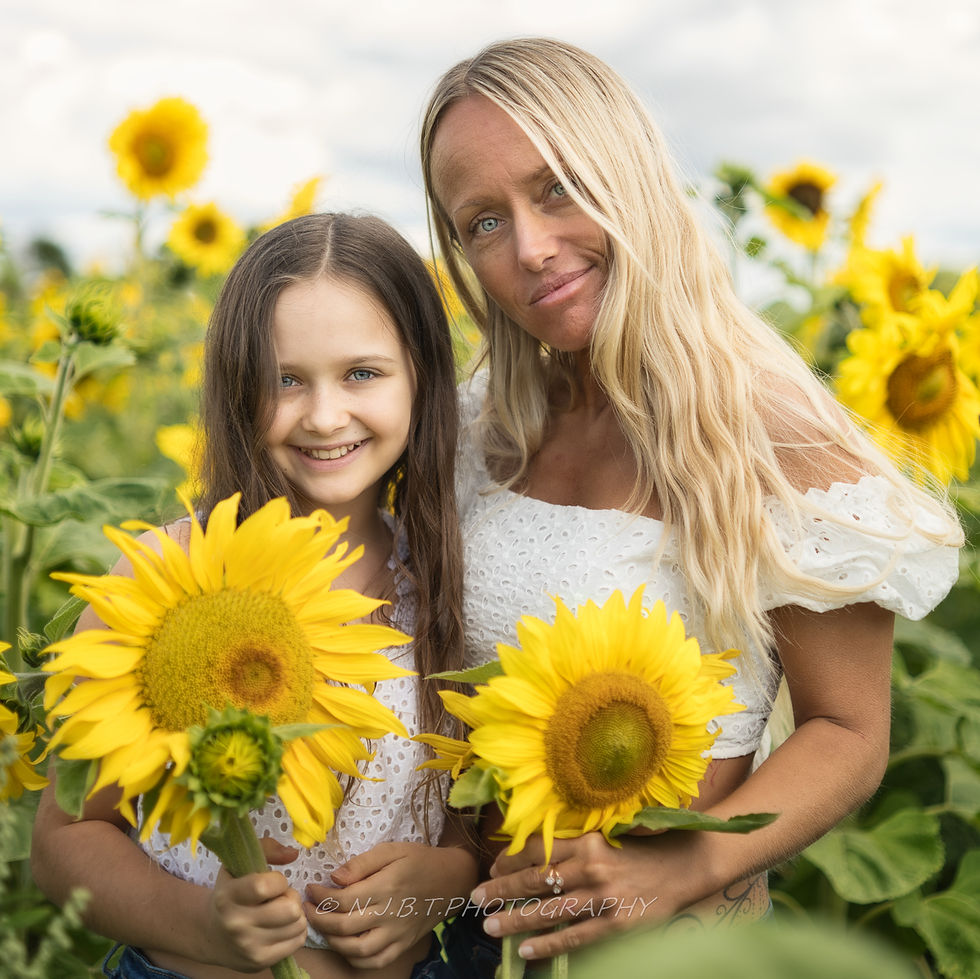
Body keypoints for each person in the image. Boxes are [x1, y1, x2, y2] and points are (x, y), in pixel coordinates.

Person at [415, 37, 963, 965]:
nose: (532, 248)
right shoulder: (482, 425)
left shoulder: (772, 434)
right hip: (473, 940)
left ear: (626, 172)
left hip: (670, 949)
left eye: (556, 188)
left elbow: (850, 730)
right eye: (484, 222)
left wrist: (676, 870)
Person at [31, 213, 478, 979]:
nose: (325, 415)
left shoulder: (446, 583)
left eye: (362, 373)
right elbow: (63, 839)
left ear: (421, 378)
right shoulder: (167, 577)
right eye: (286, 379)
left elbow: (472, 817)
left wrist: (444, 882)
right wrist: (205, 922)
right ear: (239, 387)